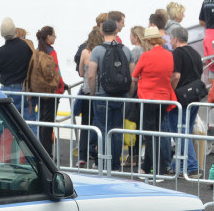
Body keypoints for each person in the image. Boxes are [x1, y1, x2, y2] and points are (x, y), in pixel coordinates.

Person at [132, 26, 177, 176]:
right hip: (163, 98)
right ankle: (148, 166)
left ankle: (159, 168)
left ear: (148, 40)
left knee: (149, 135)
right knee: (156, 133)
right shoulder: (169, 55)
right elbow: (171, 76)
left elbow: (134, 76)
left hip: (147, 98)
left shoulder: (146, 56)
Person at [87, 19, 130, 169]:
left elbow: (91, 75)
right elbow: (131, 75)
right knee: (117, 130)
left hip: (102, 95)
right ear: (116, 31)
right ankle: (115, 163)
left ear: (102, 32)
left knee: (103, 129)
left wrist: (93, 93)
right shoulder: (125, 50)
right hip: (120, 95)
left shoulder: (97, 50)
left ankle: (103, 162)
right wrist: (128, 94)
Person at [23, 25, 64, 155]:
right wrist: (62, 87)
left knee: (41, 121)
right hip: (51, 92)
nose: (55, 37)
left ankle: (42, 151)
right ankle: (47, 153)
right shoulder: (51, 52)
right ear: (48, 37)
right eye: (54, 35)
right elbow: (56, 72)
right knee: (48, 123)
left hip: (40, 91)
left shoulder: (37, 51)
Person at [169, 25, 204, 176]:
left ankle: (191, 166)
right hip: (194, 97)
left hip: (180, 98)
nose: (170, 41)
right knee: (186, 131)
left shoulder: (177, 53)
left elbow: (176, 76)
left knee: (180, 132)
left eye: (171, 39)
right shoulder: (195, 53)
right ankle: (178, 165)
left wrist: (171, 89)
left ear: (176, 39)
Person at [0, 17, 34, 120]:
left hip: (7, 90)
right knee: (28, 122)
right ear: (15, 31)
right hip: (24, 89)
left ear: (2, 35)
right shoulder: (26, 46)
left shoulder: (0, 51)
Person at [75, 27, 104, 166]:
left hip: (87, 92)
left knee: (85, 126)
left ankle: (82, 156)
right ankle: (98, 158)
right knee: (99, 126)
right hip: (100, 93)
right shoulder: (102, 52)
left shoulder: (85, 52)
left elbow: (81, 72)